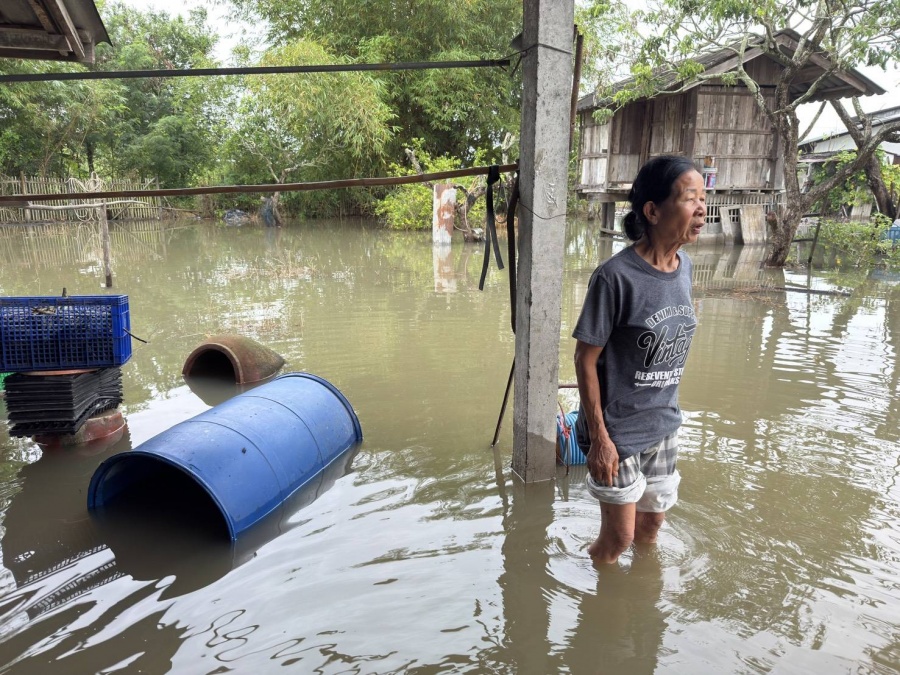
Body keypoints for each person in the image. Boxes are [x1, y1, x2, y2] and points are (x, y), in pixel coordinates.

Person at [573, 155, 705, 564]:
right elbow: (584, 359)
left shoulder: (685, 268)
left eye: (704, 199)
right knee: (619, 538)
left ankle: (643, 597)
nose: (702, 209)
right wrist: (599, 439)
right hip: (616, 430)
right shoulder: (615, 277)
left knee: (651, 527)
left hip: (662, 423)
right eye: (690, 198)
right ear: (652, 211)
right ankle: (593, 592)